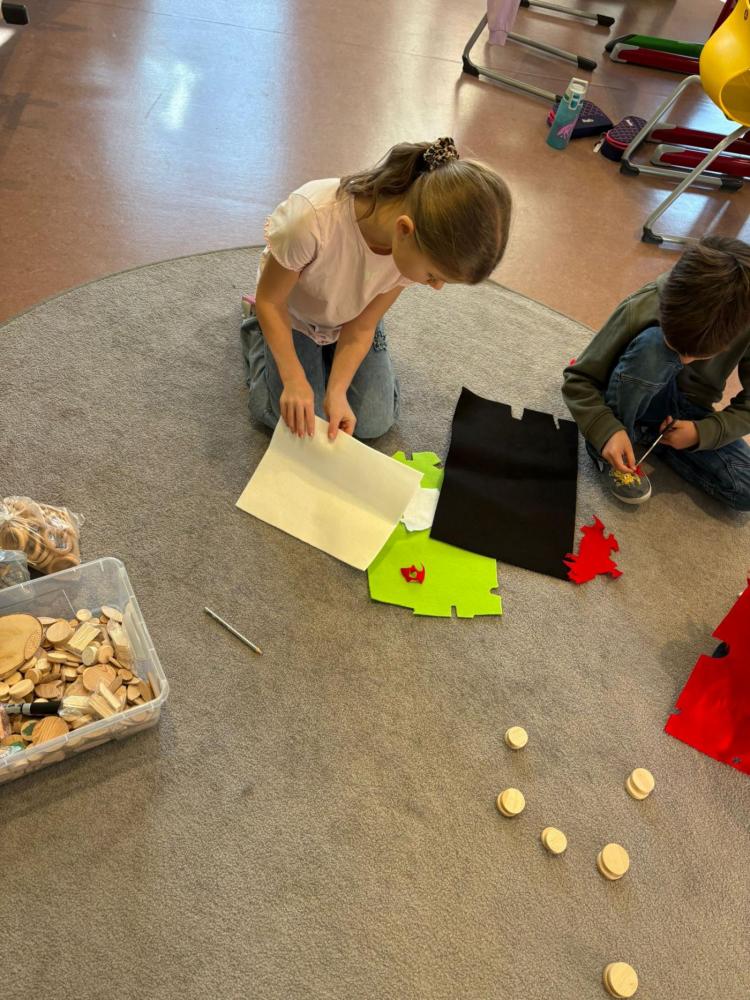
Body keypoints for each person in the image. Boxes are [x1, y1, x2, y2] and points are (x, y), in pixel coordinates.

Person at [241, 137, 512, 440]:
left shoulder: (411, 245)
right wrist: (293, 378)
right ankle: (256, 329)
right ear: (404, 230)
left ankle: (324, 357)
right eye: (433, 276)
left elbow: (363, 324)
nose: (435, 288)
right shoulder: (311, 220)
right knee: (294, 420)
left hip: (351, 316)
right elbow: (271, 301)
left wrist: (338, 390)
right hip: (291, 313)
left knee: (373, 421)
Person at [562, 236, 750, 510]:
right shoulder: (646, 303)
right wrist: (605, 430)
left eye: (698, 355)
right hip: (630, 390)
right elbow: (578, 380)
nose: (685, 361)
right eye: (676, 346)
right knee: (654, 352)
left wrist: (701, 433)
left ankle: (649, 435)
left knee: (746, 488)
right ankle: (617, 435)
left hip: (687, 410)